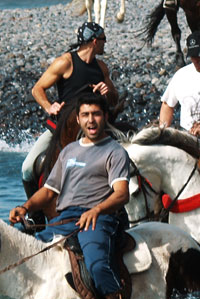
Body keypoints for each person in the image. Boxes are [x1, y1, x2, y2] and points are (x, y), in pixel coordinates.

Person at [9, 94, 131, 299]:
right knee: (29, 252)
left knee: (97, 265)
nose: (90, 120)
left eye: (96, 114)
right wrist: (25, 207)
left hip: (98, 219)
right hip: (65, 219)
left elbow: (122, 194)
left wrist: (96, 210)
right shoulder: (69, 151)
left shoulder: (115, 151)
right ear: (78, 119)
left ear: (105, 117)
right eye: (85, 115)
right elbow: (49, 191)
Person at [25, 22, 118, 206]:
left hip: (96, 126)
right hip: (63, 127)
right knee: (27, 168)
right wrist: (49, 107)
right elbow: (37, 89)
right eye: (104, 39)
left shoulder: (101, 67)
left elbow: (114, 100)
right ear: (94, 41)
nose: (105, 43)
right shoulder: (65, 62)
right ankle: (35, 214)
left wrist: (107, 92)